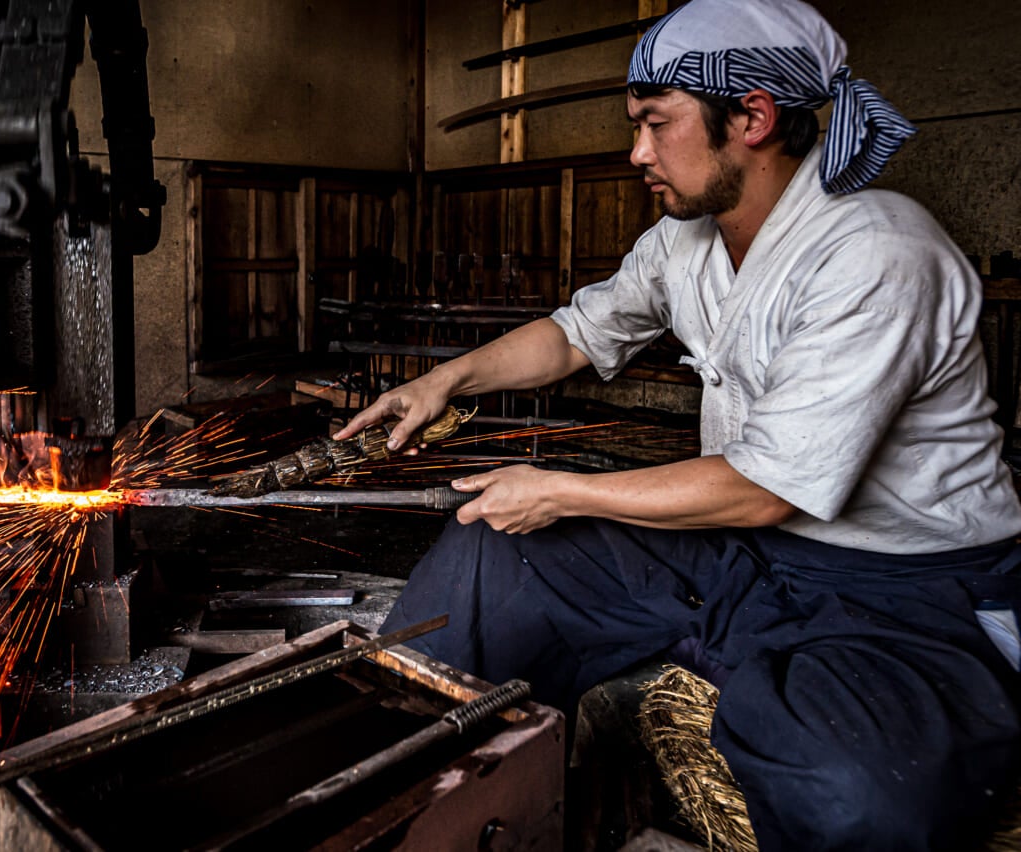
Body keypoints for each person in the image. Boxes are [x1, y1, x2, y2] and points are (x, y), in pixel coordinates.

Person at [333, 0, 1021, 848]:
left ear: (754, 117)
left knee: (860, 796)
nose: (638, 153)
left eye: (658, 125)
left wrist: (562, 491)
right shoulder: (682, 243)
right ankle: (399, 789)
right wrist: (445, 380)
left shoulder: (878, 253)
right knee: (492, 548)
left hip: (902, 592)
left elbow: (769, 487)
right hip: (745, 553)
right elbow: (576, 334)